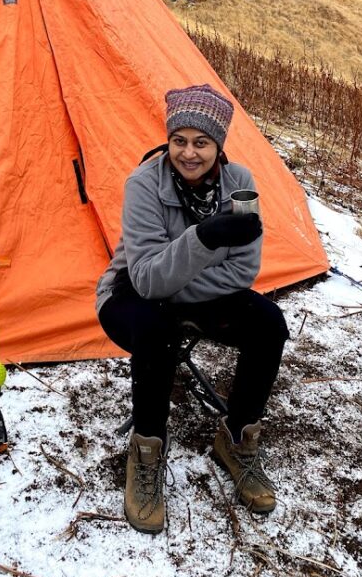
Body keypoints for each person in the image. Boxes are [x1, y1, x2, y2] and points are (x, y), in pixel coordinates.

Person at [96, 83, 290, 533]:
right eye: (179, 140)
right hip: (129, 294)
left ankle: (237, 441)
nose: (189, 153)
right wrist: (206, 238)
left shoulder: (240, 183)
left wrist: (176, 283)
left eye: (201, 142)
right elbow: (143, 278)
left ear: (218, 145)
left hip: (197, 295)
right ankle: (147, 454)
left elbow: (243, 271)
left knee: (268, 323)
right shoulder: (144, 184)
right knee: (155, 327)